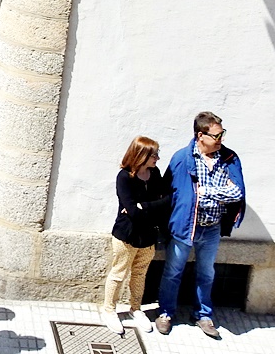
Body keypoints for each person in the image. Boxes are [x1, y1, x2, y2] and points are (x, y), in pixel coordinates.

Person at [155, 112, 245, 339]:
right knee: (173, 272)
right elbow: (169, 192)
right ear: (200, 135)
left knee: (206, 273)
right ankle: (165, 313)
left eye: (222, 134)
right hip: (185, 225)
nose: (221, 139)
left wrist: (207, 192)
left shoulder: (229, 159)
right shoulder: (182, 158)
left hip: (212, 227)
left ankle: (203, 315)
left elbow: (236, 192)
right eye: (216, 135)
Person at [100, 136, 171, 335]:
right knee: (119, 273)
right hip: (127, 235)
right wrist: (141, 209)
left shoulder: (155, 173)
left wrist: (145, 206)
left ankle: (136, 309)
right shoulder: (124, 177)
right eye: (153, 154)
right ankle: (109, 310)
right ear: (141, 155)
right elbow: (132, 210)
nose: (157, 158)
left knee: (140, 274)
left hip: (148, 236)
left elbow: (166, 201)